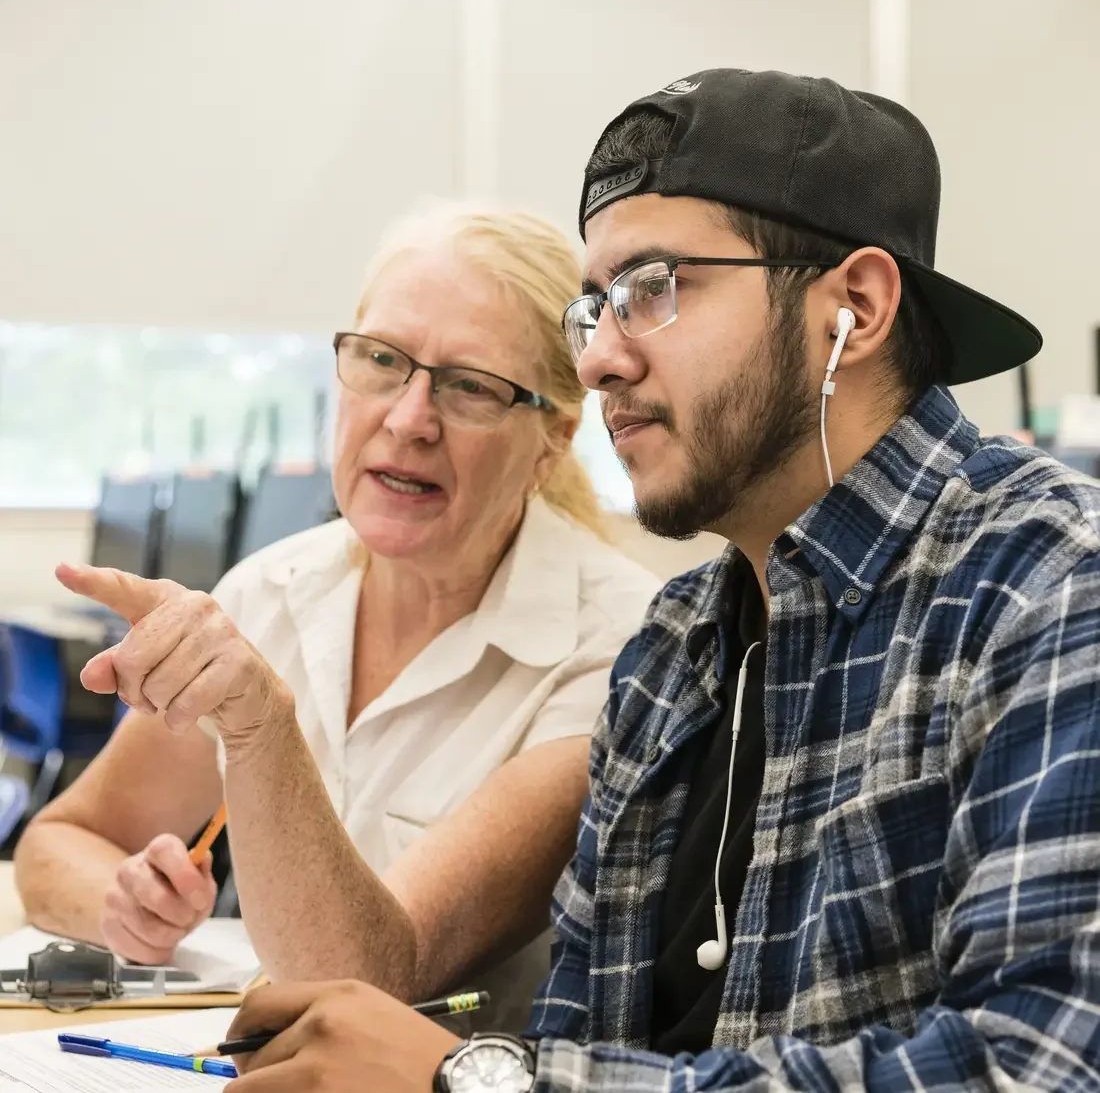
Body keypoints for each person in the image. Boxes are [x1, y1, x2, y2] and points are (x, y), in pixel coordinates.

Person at [217, 68, 1100, 1092]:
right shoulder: (671, 653)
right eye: (593, 308)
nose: (595, 361)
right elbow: (581, 1033)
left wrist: (474, 1080)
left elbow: (1037, 1066)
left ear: (852, 308)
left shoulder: (1044, 590)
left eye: (651, 289)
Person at [13, 203, 659, 1030]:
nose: (408, 418)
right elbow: (57, 842)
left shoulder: (619, 644)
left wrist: (258, 725)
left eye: (469, 387)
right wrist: (123, 904)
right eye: (383, 361)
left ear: (552, 439)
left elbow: (367, 975)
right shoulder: (273, 590)